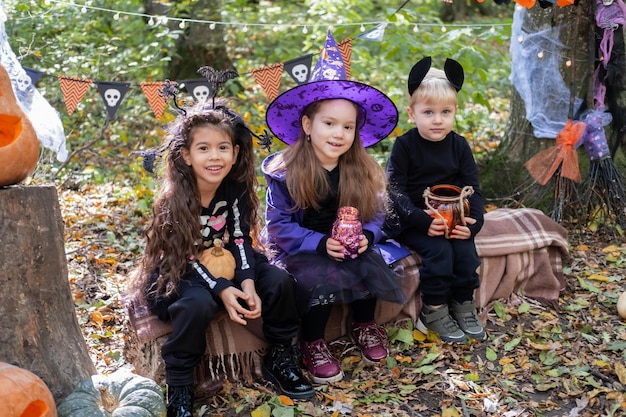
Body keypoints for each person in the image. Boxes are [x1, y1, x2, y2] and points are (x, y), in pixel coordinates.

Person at [128, 91, 314, 417]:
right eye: (204, 148)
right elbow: (184, 257)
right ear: (185, 155)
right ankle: (181, 385)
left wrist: (246, 281)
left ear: (235, 151)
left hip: (228, 256)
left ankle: (281, 354)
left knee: (280, 281)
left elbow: (240, 238)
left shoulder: (235, 189)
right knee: (195, 303)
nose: (215, 157)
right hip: (182, 269)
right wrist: (222, 289)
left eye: (222, 147)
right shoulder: (175, 200)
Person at [262, 31, 406, 384]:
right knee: (316, 276)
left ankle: (365, 324)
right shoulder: (286, 172)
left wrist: (367, 238)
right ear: (308, 125)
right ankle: (312, 342)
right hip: (304, 245)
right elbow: (279, 224)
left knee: (368, 264)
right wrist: (318, 243)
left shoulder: (360, 168)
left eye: (348, 126)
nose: (339, 133)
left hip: (348, 241)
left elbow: (375, 214)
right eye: (329, 123)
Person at [384, 56, 486, 343]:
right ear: (412, 113)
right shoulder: (405, 146)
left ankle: (463, 303)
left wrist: (473, 224)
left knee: (466, 254)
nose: (438, 119)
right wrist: (421, 220)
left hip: (453, 217)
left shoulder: (459, 145)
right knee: (439, 253)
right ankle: (435, 309)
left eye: (445, 112)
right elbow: (395, 190)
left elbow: (473, 189)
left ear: (454, 112)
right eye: (428, 112)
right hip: (415, 218)